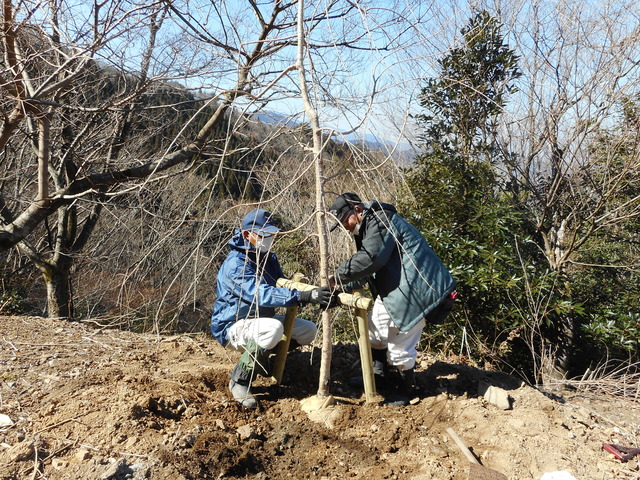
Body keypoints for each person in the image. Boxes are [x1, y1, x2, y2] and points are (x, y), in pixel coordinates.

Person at [328, 193, 457, 406]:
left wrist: (338, 275)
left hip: (414, 289)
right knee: (374, 330)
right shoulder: (369, 226)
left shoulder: (380, 221)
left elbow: (371, 259)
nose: (344, 226)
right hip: (396, 289)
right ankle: (378, 376)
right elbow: (369, 268)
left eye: (344, 220)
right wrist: (341, 285)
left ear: (357, 210)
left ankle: (406, 389)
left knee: (400, 344)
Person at [211, 208, 334, 408]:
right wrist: (302, 296)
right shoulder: (236, 264)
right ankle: (240, 379)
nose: (269, 238)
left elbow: (280, 283)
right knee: (272, 330)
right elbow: (261, 293)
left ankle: (263, 360)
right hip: (233, 325)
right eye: (264, 234)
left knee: (308, 330)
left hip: (261, 321)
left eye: (271, 234)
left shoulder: (268, 258)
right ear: (247, 234)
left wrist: (312, 293)